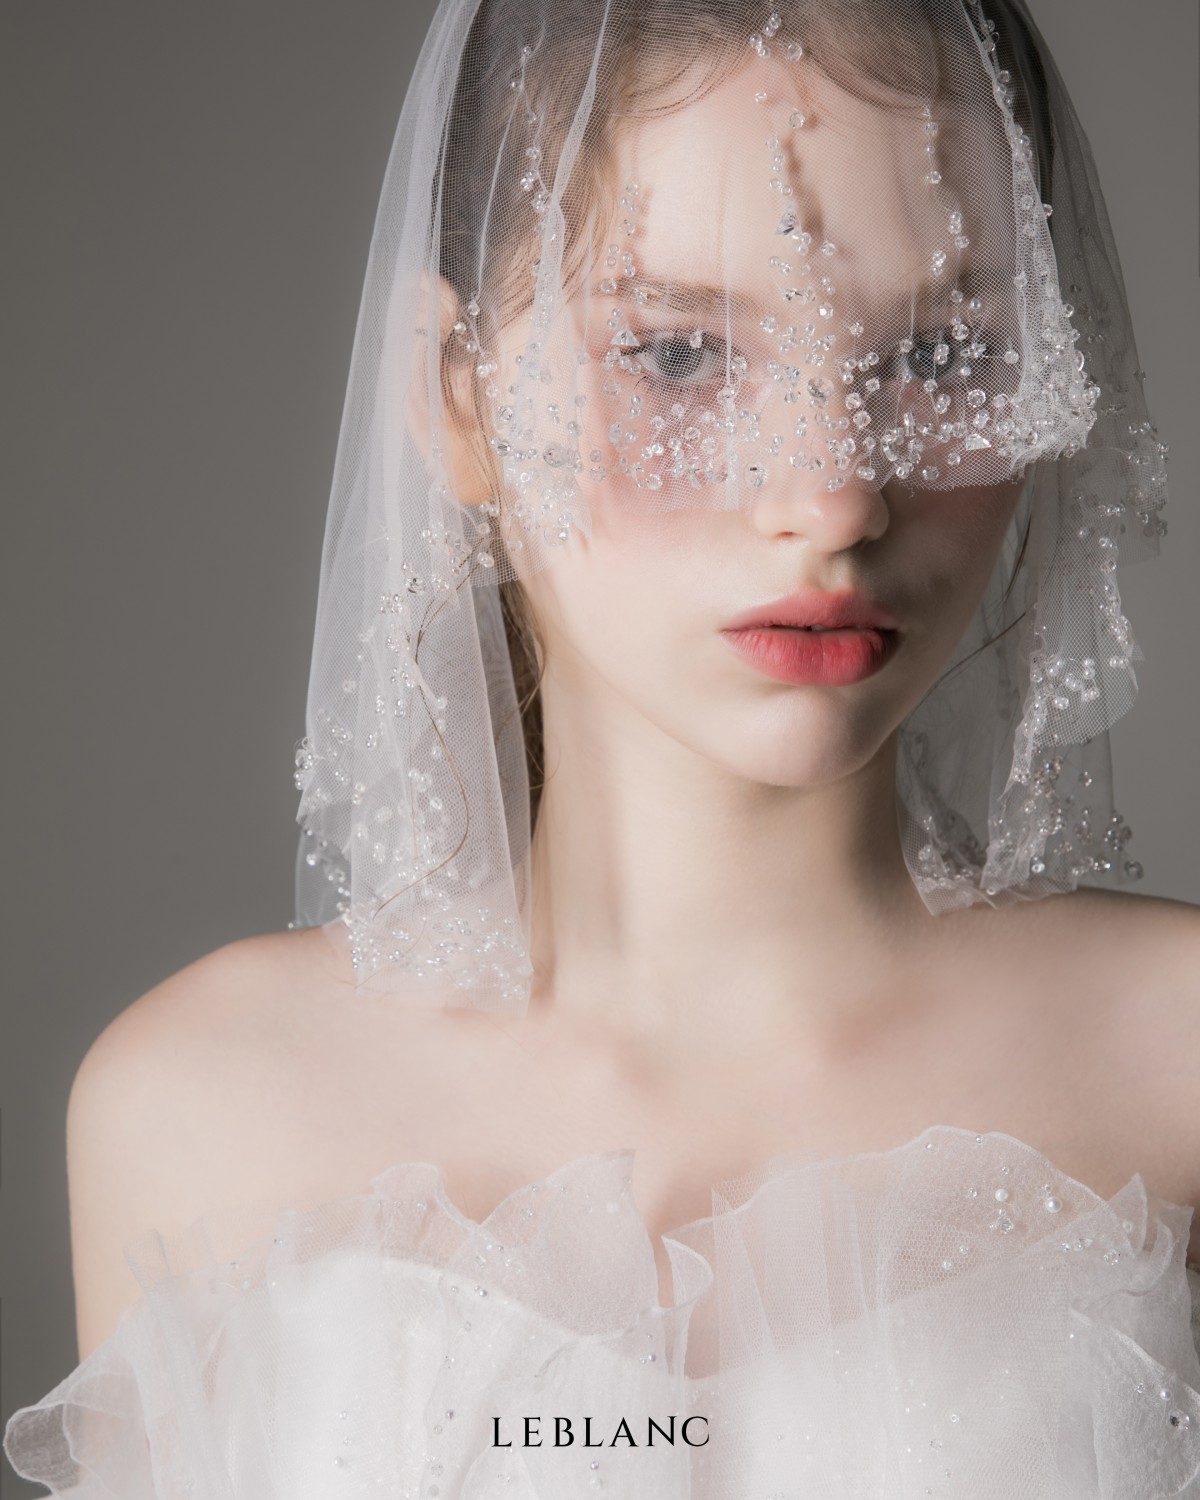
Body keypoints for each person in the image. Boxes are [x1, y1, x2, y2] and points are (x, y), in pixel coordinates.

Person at [8, 0, 1200, 1493]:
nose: (834, 495)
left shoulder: (1177, 1060)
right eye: (682, 355)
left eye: (943, 352)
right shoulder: (195, 1111)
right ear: (455, 396)